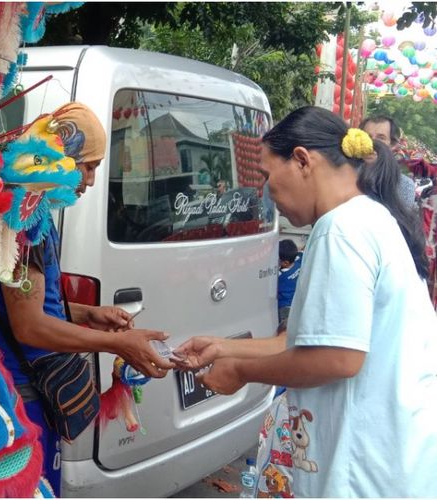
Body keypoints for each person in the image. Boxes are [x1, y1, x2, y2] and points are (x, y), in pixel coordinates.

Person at [172, 106, 437, 497]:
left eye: (265, 175)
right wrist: (222, 347)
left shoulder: (341, 229)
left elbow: (338, 358)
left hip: (367, 466)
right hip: (396, 457)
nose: (265, 190)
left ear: (301, 160)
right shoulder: (369, 218)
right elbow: (313, 340)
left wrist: (242, 372)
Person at [0, 102, 174, 495]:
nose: (92, 180)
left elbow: (29, 302)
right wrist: (118, 343)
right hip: (16, 394)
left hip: (16, 387)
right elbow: (28, 325)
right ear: (61, 157)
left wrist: (87, 313)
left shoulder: (33, 213)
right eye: (89, 165)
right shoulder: (24, 221)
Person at [360, 115, 417, 209]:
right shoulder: (344, 174)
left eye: (381, 138)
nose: (373, 143)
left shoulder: (403, 185)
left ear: (393, 144)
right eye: (367, 137)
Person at [277, 239, 302, 323]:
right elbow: (301, 253)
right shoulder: (299, 262)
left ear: (285, 263)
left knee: (284, 325)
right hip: (297, 302)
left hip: (285, 307)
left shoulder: (280, 276)